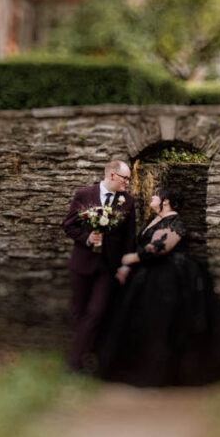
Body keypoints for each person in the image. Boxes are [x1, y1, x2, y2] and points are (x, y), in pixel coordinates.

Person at [97, 186, 220, 387]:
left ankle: (168, 374)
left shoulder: (176, 221)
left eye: (155, 195)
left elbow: (160, 248)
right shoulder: (154, 220)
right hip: (148, 276)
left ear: (166, 200)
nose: (151, 197)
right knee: (144, 321)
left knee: (166, 321)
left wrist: (131, 258)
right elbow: (143, 244)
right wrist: (126, 266)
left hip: (171, 277)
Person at [61, 160, 137, 373]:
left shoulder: (128, 202)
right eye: (125, 178)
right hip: (81, 264)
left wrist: (125, 267)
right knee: (79, 313)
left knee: (96, 312)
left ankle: (74, 363)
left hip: (107, 267)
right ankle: (87, 356)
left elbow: (129, 239)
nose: (128, 183)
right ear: (112, 175)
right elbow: (68, 226)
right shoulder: (84, 195)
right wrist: (87, 237)